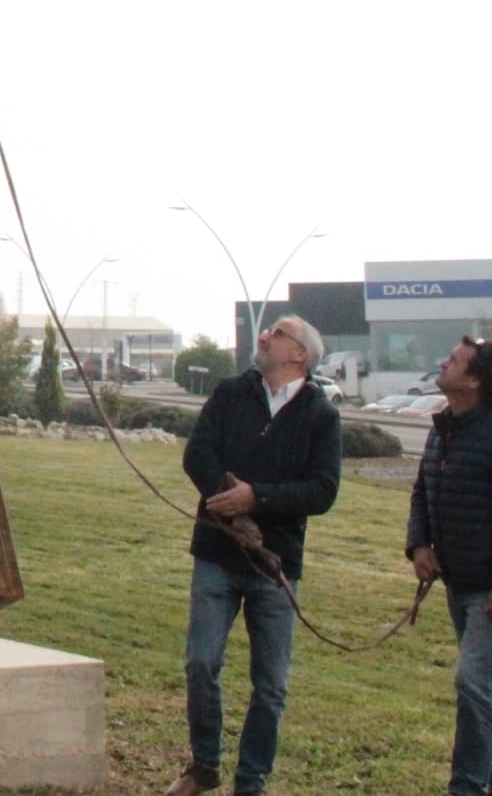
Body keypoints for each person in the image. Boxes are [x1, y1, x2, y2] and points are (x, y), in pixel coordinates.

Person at [166, 315, 342, 796]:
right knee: (201, 663)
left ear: (300, 355)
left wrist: (256, 499)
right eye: (267, 331)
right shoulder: (230, 392)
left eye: (278, 333)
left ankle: (251, 781)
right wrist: (227, 496)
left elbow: (323, 490)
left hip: (274, 566)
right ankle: (204, 766)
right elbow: (197, 454)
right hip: (216, 555)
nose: (264, 336)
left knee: (271, 685)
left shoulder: (321, 415)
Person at [405, 336, 492, 796]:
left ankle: (466, 787)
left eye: (453, 360)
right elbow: (422, 492)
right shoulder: (443, 429)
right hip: (458, 584)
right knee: (490, 690)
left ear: (475, 379)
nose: (441, 363)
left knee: (472, 683)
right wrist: (419, 545)